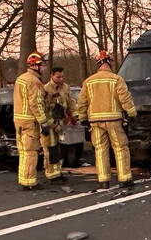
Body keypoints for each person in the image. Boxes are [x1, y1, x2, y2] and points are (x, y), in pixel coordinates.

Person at [78, 50, 137, 192]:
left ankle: (103, 181)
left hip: (95, 122)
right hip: (114, 120)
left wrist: (82, 118)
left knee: (100, 150)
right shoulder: (116, 79)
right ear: (109, 62)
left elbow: (81, 102)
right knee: (120, 148)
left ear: (98, 64)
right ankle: (124, 179)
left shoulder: (88, 81)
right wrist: (131, 113)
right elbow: (125, 98)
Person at [13, 53, 49, 190]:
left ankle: (24, 180)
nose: (44, 68)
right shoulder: (34, 81)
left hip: (19, 121)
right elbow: (36, 103)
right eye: (42, 65)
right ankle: (29, 182)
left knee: (23, 152)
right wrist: (43, 122)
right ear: (36, 65)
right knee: (31, 152)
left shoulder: (21, 79)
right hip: (30, 122)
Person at [42, 66, 76, 183]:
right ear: (52, 75)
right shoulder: (46, 89)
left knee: (62, 148)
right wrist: (52, 125)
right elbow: (44, 110)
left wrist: (74, 116)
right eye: (58, 77)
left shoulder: (66, 87)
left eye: (62, 76)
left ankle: (58, 172)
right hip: (51, 123)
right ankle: (52, 174)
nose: (61, 79)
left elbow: (70, 102)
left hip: (62, 122)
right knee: (51, 149)